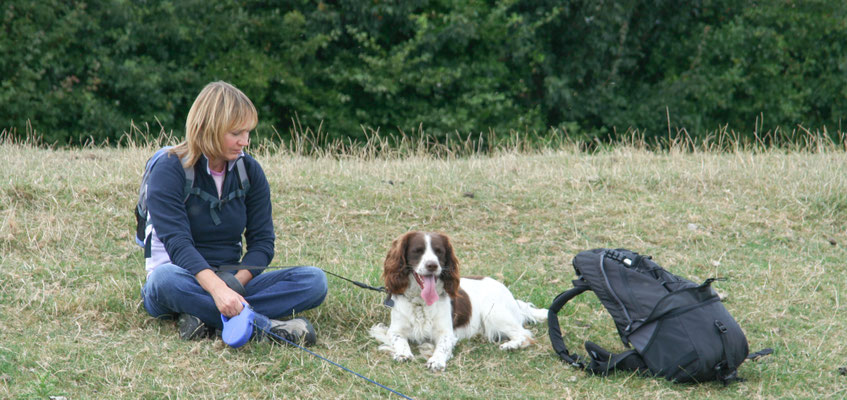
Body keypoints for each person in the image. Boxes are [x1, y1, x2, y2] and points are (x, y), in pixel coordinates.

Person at [140, 81, 327, 345]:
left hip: (232, 279)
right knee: (164, 280)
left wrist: (233, 287)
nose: (245, 141)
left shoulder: (250, 171)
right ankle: (264, 327)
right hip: (182, 277)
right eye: (236, 133)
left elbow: (263, 243)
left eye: (248, 132)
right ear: (209, 128)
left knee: (313, 281)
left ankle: (202, 318)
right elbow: (178, 245)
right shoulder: (169, 169)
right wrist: (216, 290)